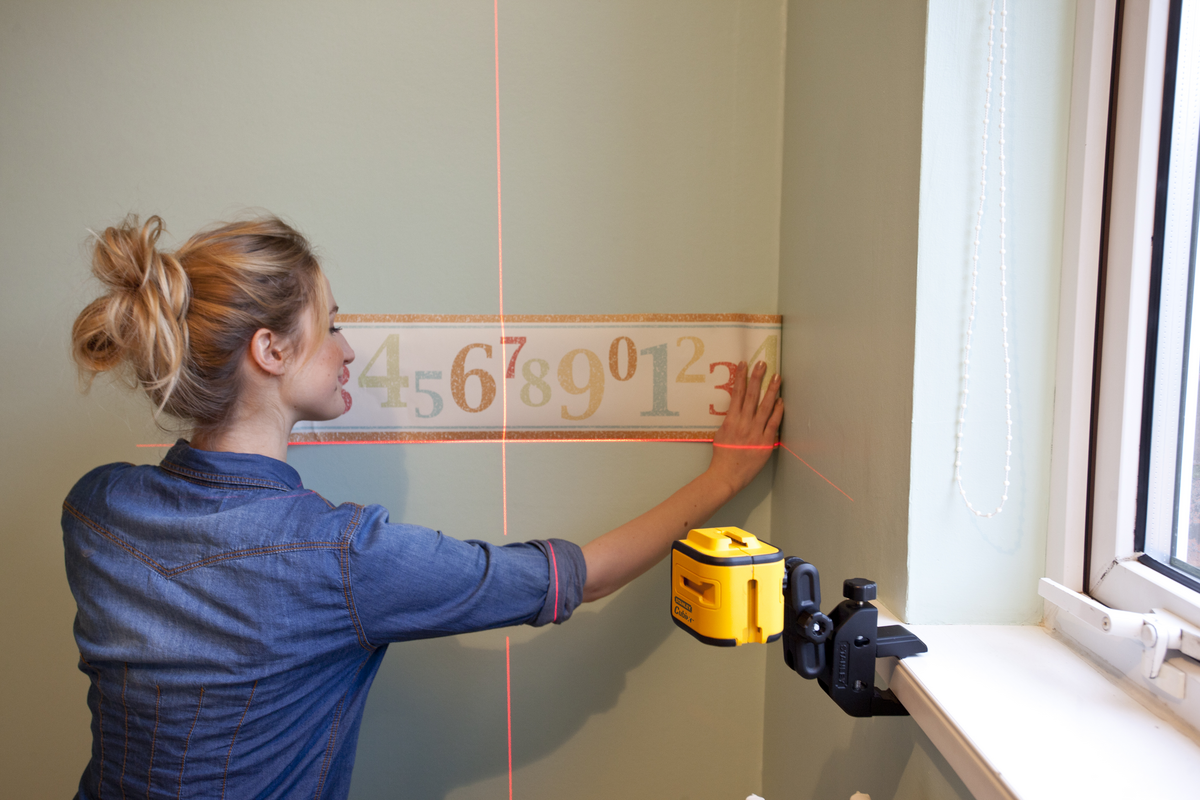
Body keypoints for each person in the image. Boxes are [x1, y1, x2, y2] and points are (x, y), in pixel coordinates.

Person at [64, 214, 783, 799]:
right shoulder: (341, 560)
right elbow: (579, 578)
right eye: (332, 324)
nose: (349, 349)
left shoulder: (95, 511)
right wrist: (722, 480)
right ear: (270, 351)